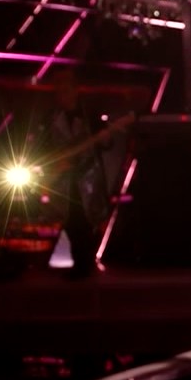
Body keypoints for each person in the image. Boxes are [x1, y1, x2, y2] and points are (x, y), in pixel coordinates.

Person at [37, 70, 119, 278]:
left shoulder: (89, 117)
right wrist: (56, 162)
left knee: (87, 221)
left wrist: (104, 137)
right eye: (59, 91)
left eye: (66, 90)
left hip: (87, 179)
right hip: (64, 181)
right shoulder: (51, 119)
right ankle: (78, 266)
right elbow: (43, 149)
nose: (62, 95)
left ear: (75, 91)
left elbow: (106, 143)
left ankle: (85, 266)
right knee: (69, 220)